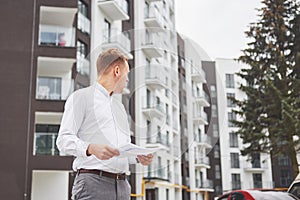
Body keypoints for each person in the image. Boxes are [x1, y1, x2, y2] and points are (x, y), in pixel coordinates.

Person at [56, 48, 153, 200]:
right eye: (126, 74)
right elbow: (63, 140)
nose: (127, 80)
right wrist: (90, 148)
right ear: (116, 71)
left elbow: (121, 149)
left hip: (122, 186)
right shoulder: (82, 97)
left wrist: (137, 157)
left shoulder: (119, 108)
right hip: (93, 184)